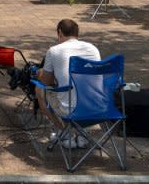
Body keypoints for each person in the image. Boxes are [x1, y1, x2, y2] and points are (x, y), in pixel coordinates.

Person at [34, 19, 100, 149]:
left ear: (60, 32)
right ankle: (82, 134)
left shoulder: (54, 51)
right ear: (77, 33)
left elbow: (47, 82)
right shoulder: (93, 49)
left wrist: (41, 74)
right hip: (96, 108)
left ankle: (65, 134)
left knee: (39, 89)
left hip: (69, 110)